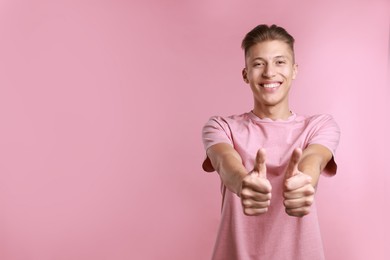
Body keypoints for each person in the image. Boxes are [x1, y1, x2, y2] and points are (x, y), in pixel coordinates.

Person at [201, 24, 340, 260]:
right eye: (258, 64)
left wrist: (304, 180)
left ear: (294, 70)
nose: (269, 73)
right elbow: (225, 161)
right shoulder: (221, 127)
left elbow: (314, 159)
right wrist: (243, 182)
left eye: (279, 62)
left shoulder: (319, 126)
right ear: (245, 74)